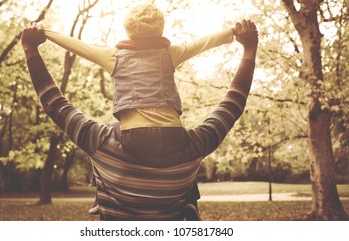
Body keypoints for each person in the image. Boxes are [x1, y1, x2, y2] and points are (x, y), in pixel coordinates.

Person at [21, 19, 258, 220]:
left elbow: (54, 103)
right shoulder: (193, 148)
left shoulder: (102, 144)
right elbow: (233, 103)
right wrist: (249, 48)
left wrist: (31, 49)